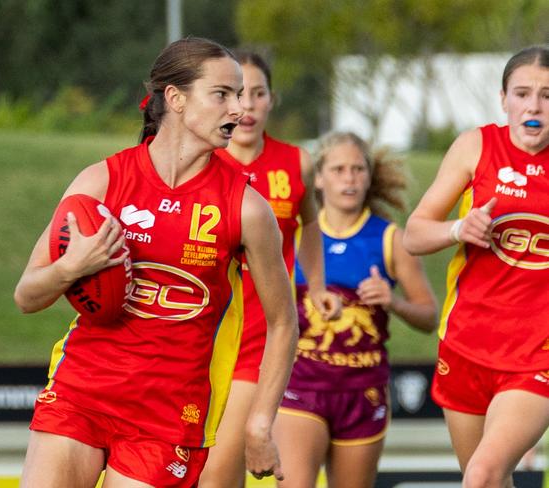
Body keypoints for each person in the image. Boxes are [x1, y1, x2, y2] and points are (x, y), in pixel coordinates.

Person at [14, 37, 298, 488]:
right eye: (222, 94)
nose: (239, 111)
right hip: (81, 392)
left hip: (169, 417)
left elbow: (284, 321)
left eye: (242, 96)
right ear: (176, 98)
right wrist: (72, 267)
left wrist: (260, 422)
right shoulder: (102, 180)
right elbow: (26, 295)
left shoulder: (247, 209)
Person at [403, 45, 549, 488]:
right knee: (484, 477)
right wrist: (458, 229)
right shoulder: (476, 146)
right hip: (466, 345)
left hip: (535, 355)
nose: (534, 106)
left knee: (482, 475)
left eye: (547, 95)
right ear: (503, 99)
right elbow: (414, 233)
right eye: (522, 93)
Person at [198, 51, 338, 488]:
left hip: (263, 339)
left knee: (220, 472)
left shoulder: (296, 161)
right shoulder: (204, 162)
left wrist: (315, 285)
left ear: (271, 101)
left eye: (258, 94)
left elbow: (311, 223)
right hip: (206, 336)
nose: (248, 105)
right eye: (238, 94)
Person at [273, 132, 438, 487]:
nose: (349, 178)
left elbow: (430, 317)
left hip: (363, 389)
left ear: (369, 176)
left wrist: (392, 301)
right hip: (302, 383)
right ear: (318, 177)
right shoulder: (296, 237)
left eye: (358, 169)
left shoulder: (390, 239)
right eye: (338, 169)